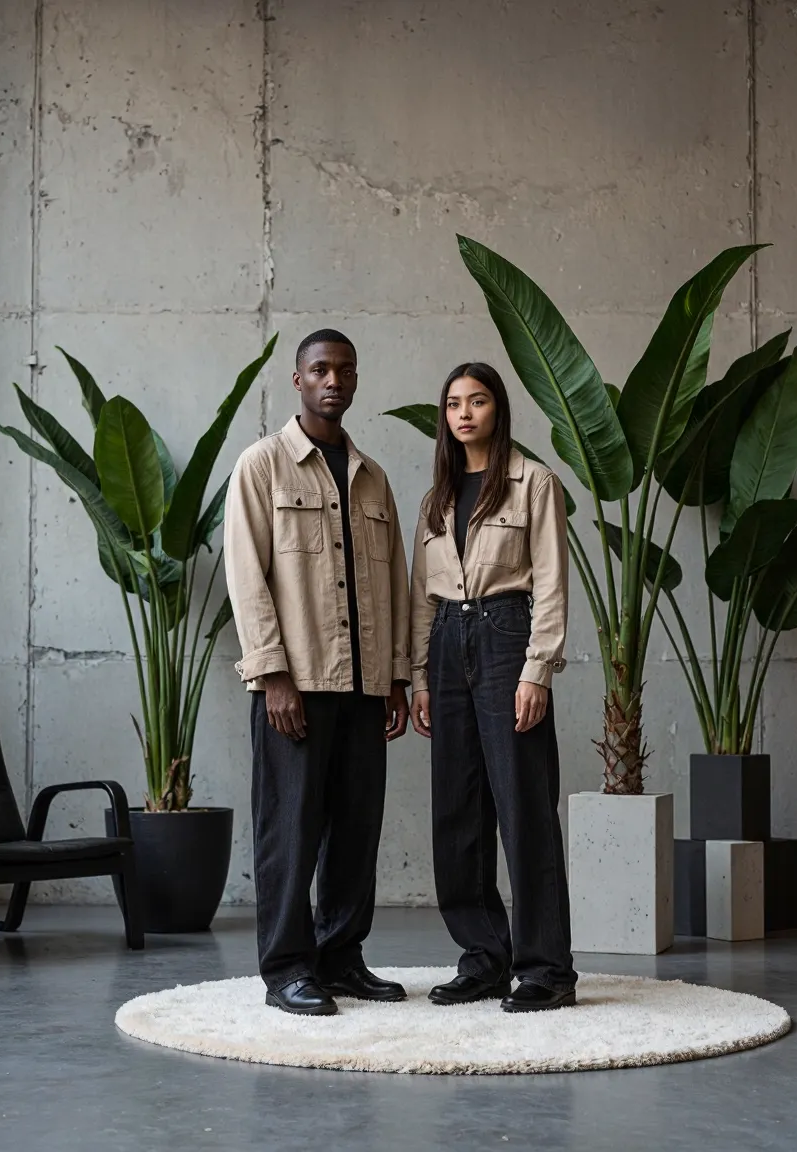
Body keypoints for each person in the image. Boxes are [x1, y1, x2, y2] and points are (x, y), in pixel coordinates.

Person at [224, 329, 411, 1016]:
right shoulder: (262, 467)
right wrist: (272, 674)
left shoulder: (373, 477)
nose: (334, 380)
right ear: (297, 379)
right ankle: (286, 970)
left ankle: (341, 958)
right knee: (290, 832)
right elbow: (246, 578)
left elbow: (397, 580)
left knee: (356, 831)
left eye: (345, 370)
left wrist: (395, 677)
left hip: (364, 688)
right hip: (295, 686)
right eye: (320, 369)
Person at [409, 362, 577, 1012]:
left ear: (497, 410)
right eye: (454, 403)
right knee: (457, 811)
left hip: (508, 637)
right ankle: (482, 957)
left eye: (477, 401)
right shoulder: (437, 497)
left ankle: (546, 971)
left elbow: (553, 584)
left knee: (523, 807)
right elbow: (423, 597)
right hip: (448, 643)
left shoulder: (534, 483)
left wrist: (538, 670)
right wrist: (421, 677)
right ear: (445, 417)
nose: (465, 413)